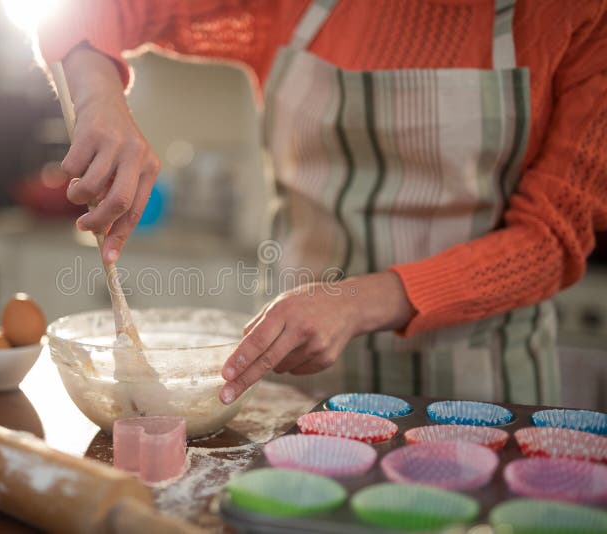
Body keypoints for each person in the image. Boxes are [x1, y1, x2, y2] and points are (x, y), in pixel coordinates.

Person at [35, 1, 607, 406]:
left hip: (481, 394)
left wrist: (354, 302)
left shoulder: (575, 15)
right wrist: (98, 95)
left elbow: (553, 237)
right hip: (298, 385)